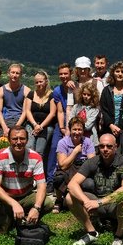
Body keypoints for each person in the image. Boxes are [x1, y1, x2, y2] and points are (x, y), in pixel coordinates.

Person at [66, 133, 123, 245]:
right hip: (96, 203)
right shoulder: (93, 162)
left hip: (114, 205)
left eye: (109, 146)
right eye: (102, 146)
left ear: (116, 147)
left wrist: (99, 202)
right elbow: (72, 184)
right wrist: (86, 201)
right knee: (69, 197)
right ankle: (91, 232)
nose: (105, 150)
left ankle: (118, 237)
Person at [0, 126, 54, 233]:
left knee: (48, 203)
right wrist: (14, 203)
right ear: (8, 140)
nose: (18, 142)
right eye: (14, 139)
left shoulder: (35, 157)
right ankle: (5, 222)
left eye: (22, 138)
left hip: (26, 196)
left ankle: (29, 220)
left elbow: (41, 185)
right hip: (6, 198)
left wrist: (36, 208)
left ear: (27, 140)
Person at [53, 117, 96, 213]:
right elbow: (63, 165)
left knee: (90, 184)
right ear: (70, 130)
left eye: (80, 129)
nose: (77, 132)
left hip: (82, 169)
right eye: (74, 129)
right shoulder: (62, 142)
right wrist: (75, 152)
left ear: (83, 130)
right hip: (67, 169)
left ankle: (80, 199)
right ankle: (59, 200)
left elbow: (92, 162)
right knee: (58, 179)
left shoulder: (88, 142)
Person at [46, 63, 75, 194]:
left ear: (71, 74)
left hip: (76, 122)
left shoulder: (76, 86)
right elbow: (60, 111)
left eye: (66, 73)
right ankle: (50, 181)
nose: (63, 76)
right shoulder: (57, 91)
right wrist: (63, 127)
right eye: (61, 74)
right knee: (54, 148)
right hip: (62, 122)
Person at [99, 61, 123, 154]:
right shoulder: (107, 90)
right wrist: (111, 125)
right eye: (117, 71)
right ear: (113, 73)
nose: (120, 74)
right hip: (109, 128)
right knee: (110, 153)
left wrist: (120, 127)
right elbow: (104, 109)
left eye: (122, 72)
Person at [24, 70, 56, 159]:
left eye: (41, 81)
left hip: (46, 126)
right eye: (37, 82)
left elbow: (52, 113)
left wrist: (40, 126)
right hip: (31, 124)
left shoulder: (52, 95)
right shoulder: (31, 94)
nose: (39, 84)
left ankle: (38, 171)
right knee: (29, 148)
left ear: (46, 81)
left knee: (39, 151)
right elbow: (27, 111)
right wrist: (35, 124)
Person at [0, 64, 30, 138]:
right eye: (13, 72)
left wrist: (15, 128)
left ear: (20, 75)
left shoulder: (26, 91)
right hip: (6, 120)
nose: (14, 75)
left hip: (20, 121)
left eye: (17, 73)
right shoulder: (1, 90)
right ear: (8, 73)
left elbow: (25, 112)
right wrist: (4, 128)